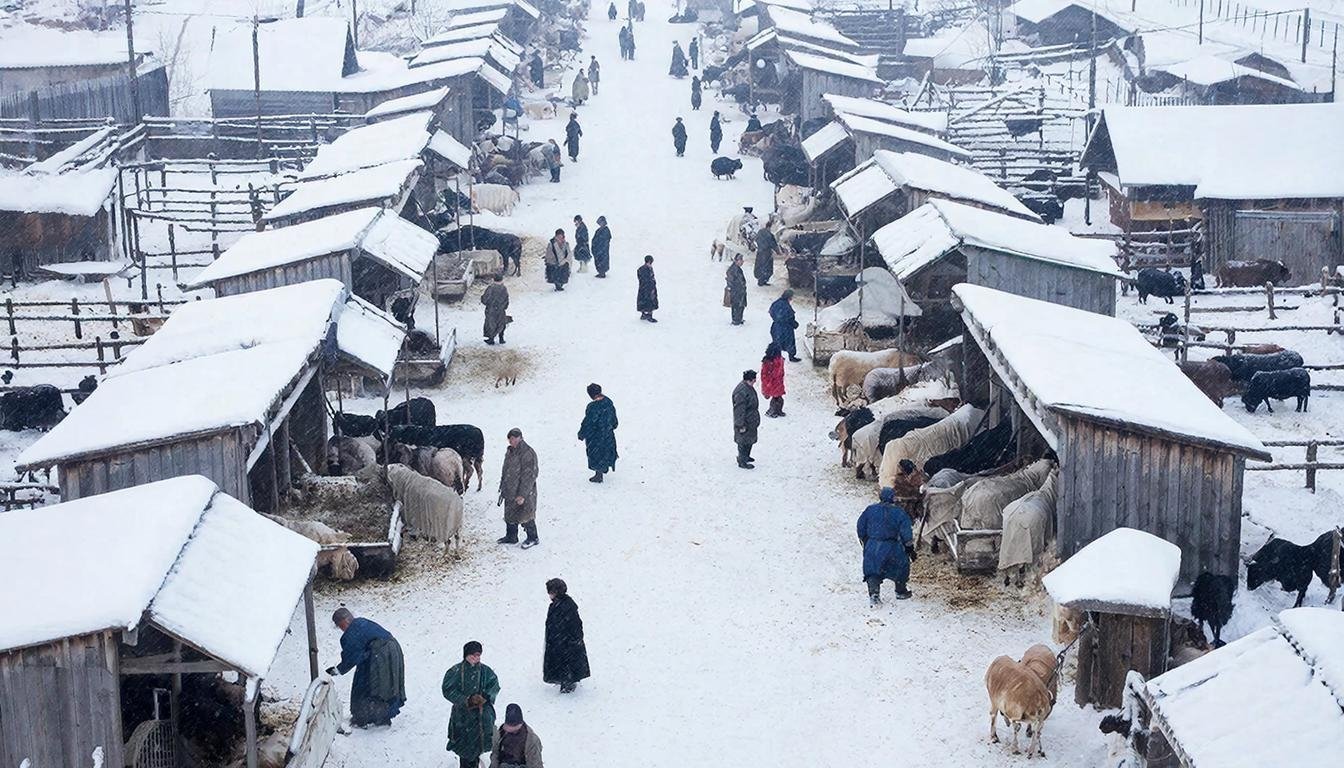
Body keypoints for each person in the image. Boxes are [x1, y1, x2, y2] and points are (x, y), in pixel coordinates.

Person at [327, 608, 406, 727]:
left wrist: (338, 670)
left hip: (381, 655)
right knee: (387, 685)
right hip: (392, 650)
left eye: (339, 624)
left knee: (371, 686)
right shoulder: (360, 623)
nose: (340, 628)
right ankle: (382, 716)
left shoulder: (352, 632)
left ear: (346, 620)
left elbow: (351, 656)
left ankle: (366, 718)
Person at [443, 641, 500, 768]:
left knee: (479, 745)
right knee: (465, 749)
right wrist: (466, 700)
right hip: (463, 718)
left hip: (482, 718)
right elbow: (448, 690)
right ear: (466, 655)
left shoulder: (486, 671)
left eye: (478, 655)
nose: (476, 658)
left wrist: (485, 696)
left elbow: (494, 685)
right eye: (473, 655)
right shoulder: (455, 672)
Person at [857, 487, 915, 605]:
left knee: (872, 569)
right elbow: (906, 532)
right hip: (892, 545)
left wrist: (865, 540)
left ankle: (874, 593)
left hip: (873, 545)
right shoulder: (899, 512)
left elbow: (860, 526)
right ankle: (900, 590)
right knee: (901, 567)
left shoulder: (870, 510)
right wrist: (909, 548)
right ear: (893, 498)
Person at [543, 578, 591, 694]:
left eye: (551, 592)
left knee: (566, 664)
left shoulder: (566, 606)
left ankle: (568, 685)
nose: (549, 595)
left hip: (565, 643)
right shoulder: (557, 605)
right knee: (562, 664)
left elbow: (575, 625)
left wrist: (573, 640)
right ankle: (564, 681)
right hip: (558, 641)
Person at [497, 428, 539, 548]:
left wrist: (522, 494)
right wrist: (503, 485)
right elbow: (506, 470)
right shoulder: (510, 452)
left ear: (520, 437)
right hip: (510, 488)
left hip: (523, 490)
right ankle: (511, 536)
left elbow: (529, 475)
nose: (512, 441)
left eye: (514, 438)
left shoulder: (528, 453)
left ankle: (533, 537)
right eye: (510, 439)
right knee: (510, 514)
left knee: (526, 514)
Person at [577, 383, 618, 482]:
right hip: (608, 433)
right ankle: (604, 468)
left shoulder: (592, 407)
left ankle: (598, 474)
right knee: (606, 451)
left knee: (596, 454)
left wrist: (582, 434)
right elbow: (613, 418)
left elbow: (588, 422)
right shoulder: (608, 402)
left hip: (596, 436)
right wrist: (613, 425)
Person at [490, 704, 543, 768]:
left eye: (514, 727)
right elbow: (495, 755)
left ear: (520, 724)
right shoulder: (500, 733)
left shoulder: (532, 740)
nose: (510, 729)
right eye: (509, 727)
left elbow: (535, 765)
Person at [732, 369, 760, 469]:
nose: (755, 382)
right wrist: (740, 425)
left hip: (750, 420)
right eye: (753, 380)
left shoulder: (747, 387)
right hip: (745, 421)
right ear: (749, 380)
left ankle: (746, 456)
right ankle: (742, 460)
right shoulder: (741, 392)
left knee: (749, 440)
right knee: (743, 441)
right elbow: (739, 410)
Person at [769, 289, 800, 361]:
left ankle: (777, 356)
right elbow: (789, 318)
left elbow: (771, 312)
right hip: (786, 328)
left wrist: (776, 320)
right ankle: (792, 356)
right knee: (790, 342)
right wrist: (795, 324)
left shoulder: (776, 303)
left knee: (777, 342)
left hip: (776, 326)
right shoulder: (786, 306)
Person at [481, 274, 510, 345]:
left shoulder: (490, 288)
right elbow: (506, 299)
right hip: (501, 309)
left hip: (491, 309)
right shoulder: (504, 288)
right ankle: (501, 338)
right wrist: (504, 307)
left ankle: (491, 339)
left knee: (491, 323)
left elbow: (485, 298)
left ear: (493, 280)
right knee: (501, 323)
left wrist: (486, 303)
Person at [761, 342, 786, 417]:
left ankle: (777, 411)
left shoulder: (771, 360)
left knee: (778, 398)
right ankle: (773, 411)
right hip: (773, 383)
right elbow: (775, 373)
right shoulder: (773, 361)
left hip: (776, 383)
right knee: (776, 398)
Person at [753, 213, 779, 286]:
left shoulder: (760, 232)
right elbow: (774, 244)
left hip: (760, 252)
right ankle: (763, 280)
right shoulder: (769, 234)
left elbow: (756, 240)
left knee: (760, 266)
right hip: (767, 253)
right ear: (769, 227)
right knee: (767, 267)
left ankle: (760, 280)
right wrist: (779, 252)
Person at [725, 252, 747, 325]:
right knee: (737, 305)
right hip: (736, 291)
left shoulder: (737, 269)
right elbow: (730, 281)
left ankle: (738, 318)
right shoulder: (733, 270)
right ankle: (736, 320)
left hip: (739, 291)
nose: (742, 261)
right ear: (736, 261)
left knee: (740, 305)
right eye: (741, 260)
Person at [636, 255, 659, 322]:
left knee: (643, 300)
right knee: (649, 301)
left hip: (643, 288)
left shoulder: (641, 269)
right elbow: (649, 279)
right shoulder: (647, 269)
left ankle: (643, 314)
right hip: (648, 288)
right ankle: (649, 315)